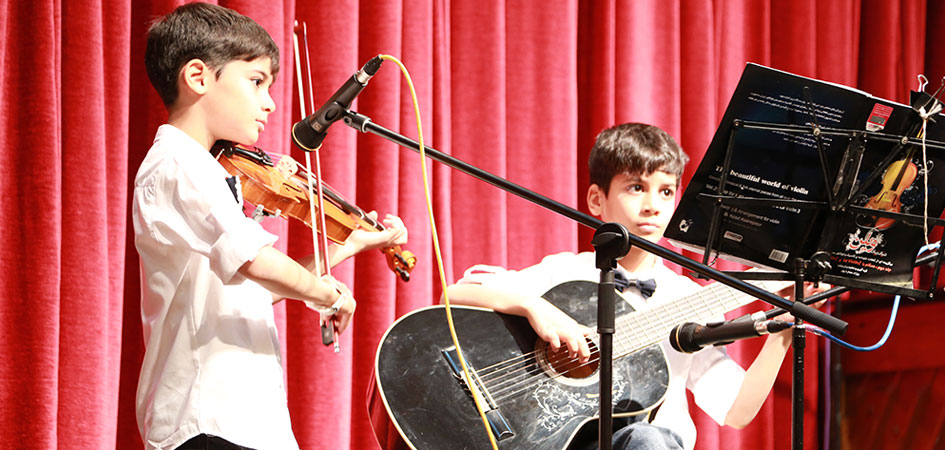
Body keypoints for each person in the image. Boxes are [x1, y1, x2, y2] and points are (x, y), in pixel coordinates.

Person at [133, 3, 407, 450]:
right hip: (206, 421)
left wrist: (351, 243)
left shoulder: (204, 170)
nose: (270, 102)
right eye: (256, 81)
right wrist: (328, 295)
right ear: (198, 77)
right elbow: (256, 262)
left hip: (248, 423)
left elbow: (252, 286)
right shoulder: (179, 164)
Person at [445, 123, 814, 450]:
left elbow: (736, 410)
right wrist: (535, 308)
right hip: (564, 441)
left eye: (666, 192)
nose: (653, 205)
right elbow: (456, 294)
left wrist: (784, 327)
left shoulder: (687, 299)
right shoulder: (566, 273)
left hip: (651, 444)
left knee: (646, 439)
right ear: (597, 200)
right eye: (637, 188)